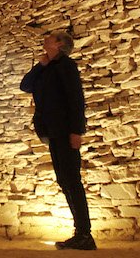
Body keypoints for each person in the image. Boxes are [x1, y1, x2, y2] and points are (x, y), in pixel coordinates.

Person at [20, 30, 96, 250]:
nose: (45, 39)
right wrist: (41, 64)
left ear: (60, 44)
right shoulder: (47, 68)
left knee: (72, 180)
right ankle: (80, 233)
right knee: (64, 180)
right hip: (53, 131)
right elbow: (25, 86)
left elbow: (76, 99)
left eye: (50, 37)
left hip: (64, 130)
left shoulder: (66, 66)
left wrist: (76, 131)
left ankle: (85, 234)